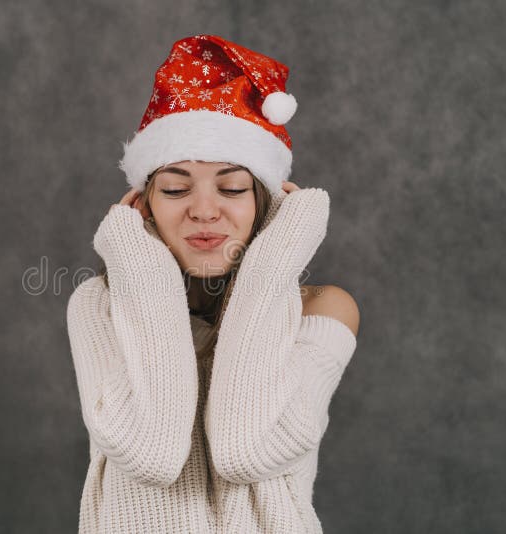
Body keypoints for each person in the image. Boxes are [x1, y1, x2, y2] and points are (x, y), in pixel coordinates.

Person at [66, 34, 360, 534]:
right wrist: (138, 264)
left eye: (233, 187)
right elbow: (153, 453)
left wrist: (273, 263)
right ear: (144, 206)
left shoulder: (325, 309)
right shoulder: (98, 305)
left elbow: (244, 452)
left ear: (268, 204)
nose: (204, 210)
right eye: (176, 188)